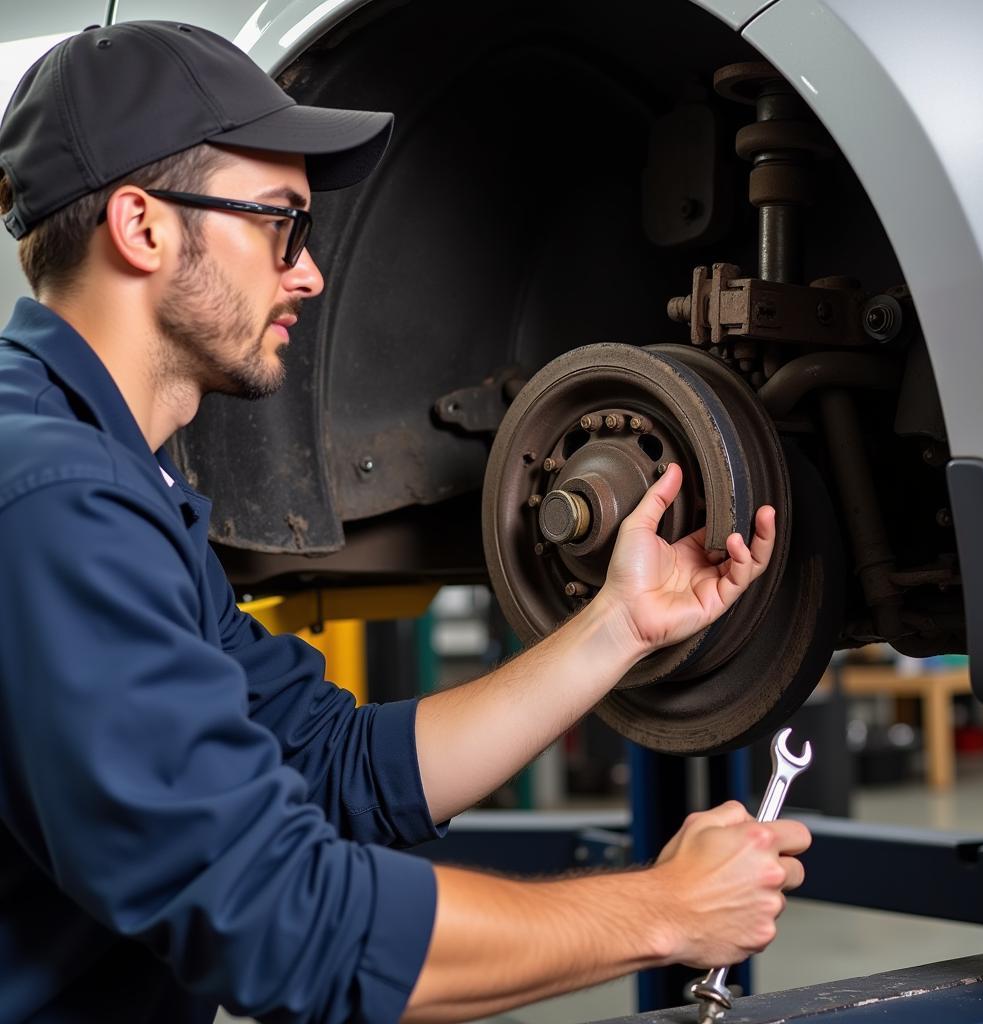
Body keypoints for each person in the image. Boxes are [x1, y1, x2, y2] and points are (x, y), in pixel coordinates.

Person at [0, 21, 810, 1024]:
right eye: (280, 224)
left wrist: (618, 627)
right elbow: (282, 924)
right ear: (144, 227)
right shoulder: (54, 501)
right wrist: (663, 911)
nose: (310, 273)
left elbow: (333, 763)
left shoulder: (108, 475)